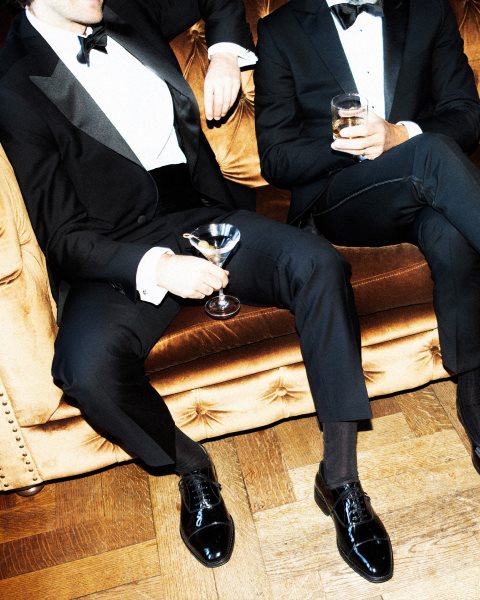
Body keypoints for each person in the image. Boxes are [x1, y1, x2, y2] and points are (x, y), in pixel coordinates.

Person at [0, 0, 393, 582]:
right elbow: (61, 234)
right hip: (116, 246)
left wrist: (227, 54)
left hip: (202, 213)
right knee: (85, 371)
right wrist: (157, 267)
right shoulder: (13, 83)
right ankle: (192, 467)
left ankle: (339, 479)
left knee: (318, 264)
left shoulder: (123, 9)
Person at [255, 0, 480, 574]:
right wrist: (349, 141)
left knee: (451, 234)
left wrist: (400, 133)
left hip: (423, 186)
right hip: (341, 197)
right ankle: (341, 476)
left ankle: (476, 410)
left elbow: (465, 112)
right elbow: (275, 157)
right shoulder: (281, 29)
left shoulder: (427, 12)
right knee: (430, 153)